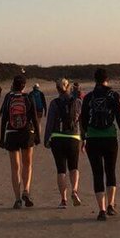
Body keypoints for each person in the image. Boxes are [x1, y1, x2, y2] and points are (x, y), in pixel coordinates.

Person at [79, 67, 120, 221]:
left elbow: (83, 120)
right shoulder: (114, 95)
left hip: (93, 139)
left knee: (97, 173)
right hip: (109, 137)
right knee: (110, 171)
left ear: (95, 79)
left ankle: (101, 209)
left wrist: (83, 138)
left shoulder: (88, 97)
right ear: (107, 79)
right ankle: (111, 205)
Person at [0, 71, 40, 208]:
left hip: (11, 134)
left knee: (15, 167)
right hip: (27, 133)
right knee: (27, 164)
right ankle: (26, 190)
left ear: (13, 85)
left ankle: (17, 199)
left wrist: (1, 138)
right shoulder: (28, 97)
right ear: (24, 86)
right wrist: (38, 136)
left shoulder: (8, 98)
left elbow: (3, 119)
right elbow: (34, 118)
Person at [43, 77, 83, 208]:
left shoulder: (54, 103)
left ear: (57, 89)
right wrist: (84, 138)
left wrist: (46, 139)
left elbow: (50, 123)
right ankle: (75, 191)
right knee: (74, 167)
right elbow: (82, 122)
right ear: (69, 87)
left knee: (61, 170)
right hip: (73, 138)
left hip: (57, 138)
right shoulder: (77, 102)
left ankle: (63, 200)